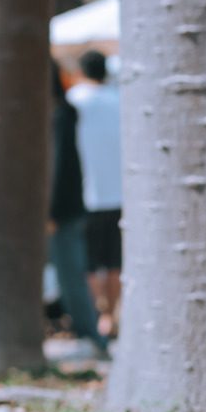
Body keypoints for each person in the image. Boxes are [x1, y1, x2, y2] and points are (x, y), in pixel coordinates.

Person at [48, 61, 107, 355]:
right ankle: (89, 335)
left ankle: (93, 337)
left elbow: (60, 167)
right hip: (69, 208)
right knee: (69, 275)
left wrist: (52, 212)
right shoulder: (65, 111)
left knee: (72, 275)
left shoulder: (61, 114)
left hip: (62, 212)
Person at [66, 49, 121, 337]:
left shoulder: (75, 100)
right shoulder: (119, 100)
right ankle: (111, 315)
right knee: (114, 262)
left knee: (88, 262)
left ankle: (98, 315)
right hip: (118, 192)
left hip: (86, 191)